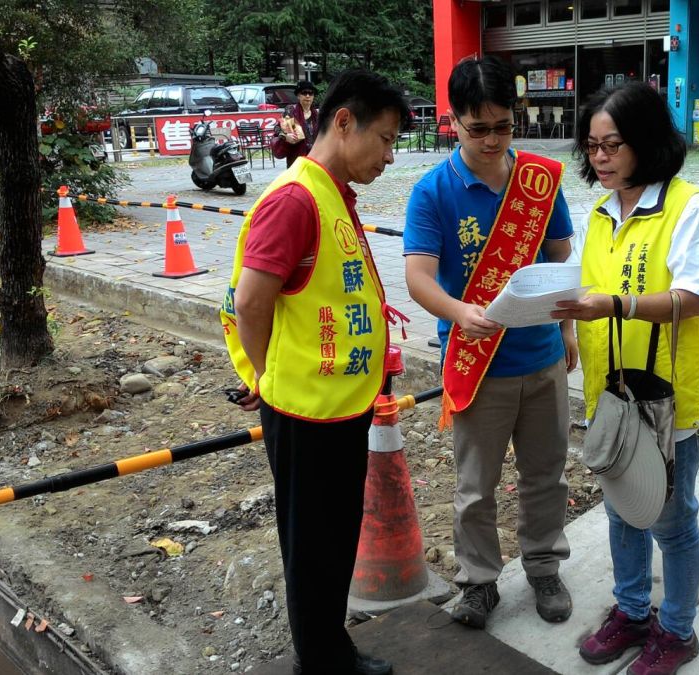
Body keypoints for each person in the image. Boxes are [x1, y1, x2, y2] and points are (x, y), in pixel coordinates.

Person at [220, 69, 409, 675]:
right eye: (384, 139)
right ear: (344, 122)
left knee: (332, 537)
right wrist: (265, 372)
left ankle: (330, 648)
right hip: (304, 411)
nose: (388, 154)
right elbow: (251, 302)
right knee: (312, 547)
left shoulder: (331, 194)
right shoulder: (296, 199)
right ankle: (324, 662)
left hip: (336, 406)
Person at [551, 82, 699, 675]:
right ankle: (631, 612)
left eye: (614, 145)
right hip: (615, 394)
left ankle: (677, 630)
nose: (600, 157)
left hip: (671, 399)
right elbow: (591, 291)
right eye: (593, 146)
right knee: (622, 510)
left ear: (647, 143)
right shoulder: (601, 213)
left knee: (672, 521)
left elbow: (696, 297)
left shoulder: (690, 207)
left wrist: (617, 305)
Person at [403, 55, 576, 630]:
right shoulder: (433, 193)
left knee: (545, 472)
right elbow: (419, 277)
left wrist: (568, 330)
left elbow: (559, 261)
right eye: (479, 128)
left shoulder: (538, 181)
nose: (493, 140)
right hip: (477, 362)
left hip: (542, 357)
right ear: (453, 121)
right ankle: (479, 582)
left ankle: (544, 566)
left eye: (504, 126)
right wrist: (459, 312)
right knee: (475, 486)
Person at [272, 80, 321, 167]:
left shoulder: (316, 114)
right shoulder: (291, 111)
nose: (308, 96)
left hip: (314, 159)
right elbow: (277, 129)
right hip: (296, 160)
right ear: (298, 95)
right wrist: (285, 136)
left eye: (311, 93)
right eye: (304, 93)